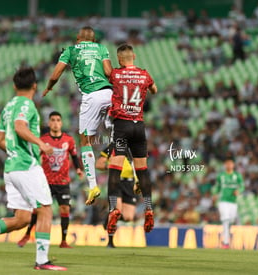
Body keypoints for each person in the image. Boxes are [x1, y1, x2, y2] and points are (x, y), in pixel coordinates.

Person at [0, 67, 66, 271]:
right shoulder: (26, 105)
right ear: (35, 86)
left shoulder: (8, 107)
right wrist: (41, 144)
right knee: (45, 209)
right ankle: (42, 260)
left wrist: (13, 151)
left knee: (22, 218)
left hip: (11, 168)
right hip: (26, 166)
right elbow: (20, 128)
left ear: (14, 86)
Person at [43, 26, 113, 205]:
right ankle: (130, 171)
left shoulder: (70, 50)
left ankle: (93, 186)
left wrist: (49, 86)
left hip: (91, 96)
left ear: (77, 38)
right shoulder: (101, 48)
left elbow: (56, 73)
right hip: (110, 94)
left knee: (85, 141)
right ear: (94, 39)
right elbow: (108, 72)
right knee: (119, 134)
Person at [106, 44, 157, 237]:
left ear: (120, 59)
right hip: (139, 127)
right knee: (142, 170)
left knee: (114, 169)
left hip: (122, 127)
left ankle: (113, 209)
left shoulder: (116, 74)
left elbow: (106, 72)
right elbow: (155, 90)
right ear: (134, 56)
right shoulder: (144, 74)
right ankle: (149, 208)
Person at [17, 111, 84, 248]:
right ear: (49, 123)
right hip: (46, 182)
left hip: (63, 182)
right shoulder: (43, 140)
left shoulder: (69, 140)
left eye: (58, 120)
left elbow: (74, 155)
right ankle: (27, 234)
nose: (55, 123)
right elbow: (35, 156)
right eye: (52, 120)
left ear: (61, 123)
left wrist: (78, 169)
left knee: (65, 209)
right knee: (39, 210)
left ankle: (63, 240)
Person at [96, 144, 138, 248]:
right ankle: (110, 241)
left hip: (129, 183)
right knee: (116, 210)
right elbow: (98, 164)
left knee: (128, 217)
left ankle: (107, 219)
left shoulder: (135, 148)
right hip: (116, 181)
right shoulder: (112, 147)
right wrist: (110, 166)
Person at [212, 157, 244, 249]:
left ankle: (226, 238)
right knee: (225, 219)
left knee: (231, 220)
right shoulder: (221, 176)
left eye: (230, 163)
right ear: (225, 165)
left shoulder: (237, 175)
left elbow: (242, 186)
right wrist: (214, 194)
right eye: (227, 163)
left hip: (233, 202)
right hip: (223, 201)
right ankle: (225, 242)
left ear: (233, 165)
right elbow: (217, 187)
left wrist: (239, 191)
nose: (229, 165)